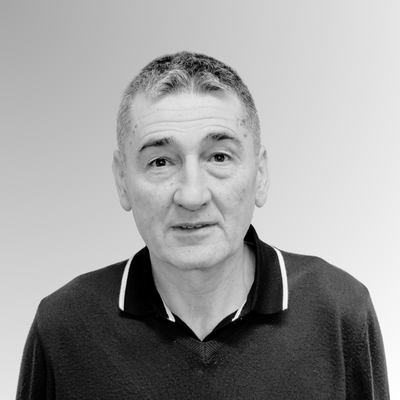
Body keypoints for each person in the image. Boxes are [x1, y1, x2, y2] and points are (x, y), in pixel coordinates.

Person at [17, 51, 390, 399]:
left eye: (219, 157)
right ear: (122, 181)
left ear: (260, 175)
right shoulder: (64, 327)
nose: (192, 195)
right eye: (161, 162)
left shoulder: (339, 312)